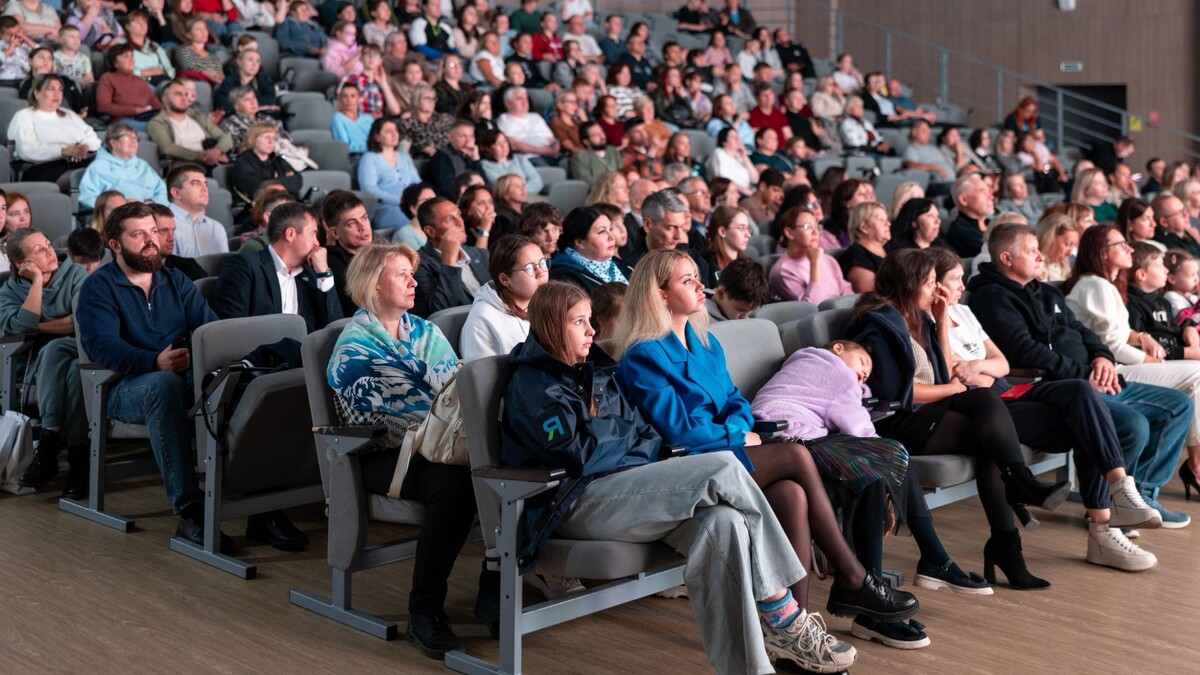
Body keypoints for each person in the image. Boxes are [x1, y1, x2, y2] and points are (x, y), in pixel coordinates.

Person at [504, 280, 862, 674]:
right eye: (578, 322)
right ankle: (782, 611)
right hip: (576, 504)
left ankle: (752, 667)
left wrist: (611, 436)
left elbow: (648, 437)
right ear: (554, 325)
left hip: (634, 490)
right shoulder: (534, 386)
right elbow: (579, 457)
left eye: (591, 320)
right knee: (724, 465)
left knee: (723, 522)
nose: (592, 330)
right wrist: (620, 437)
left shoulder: (599, 373)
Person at [611, 250, 919, 640]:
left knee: (792, 494)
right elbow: (678, 431)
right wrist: (737, 435)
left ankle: (796, 632)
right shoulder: (643, 355)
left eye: (696, 277)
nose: (700, 286)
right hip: (691, 464)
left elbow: (735, 401)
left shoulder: (704, 342)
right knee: (794, 453)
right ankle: (852, 576)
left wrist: (739, 427)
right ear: (660, 295)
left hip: (725, 449)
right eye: (687, 281)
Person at [846, 249, 1073, 589]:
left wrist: (940, 319)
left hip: (928, 413)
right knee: (983, 405)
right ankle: (1018, 497)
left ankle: (1007, 542)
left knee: (990, 440)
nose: (937, 290)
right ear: (909, 285)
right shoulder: (878, 324)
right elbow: (900, 393)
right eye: (931, 283)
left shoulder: (919, 317)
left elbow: (940, 372)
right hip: (897, 420)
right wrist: (952, 391)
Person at [930, 246, 1161, 570]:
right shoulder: (928, 319)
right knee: (1097, 423)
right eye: (955, 279)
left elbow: (1001, 362)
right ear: (933, 284)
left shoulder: (964, 313)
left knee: (1080, 391)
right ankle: (1103, 530)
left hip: (1008, 388)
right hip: (985, 409)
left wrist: (979, 364)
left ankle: (1120, 490)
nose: (962, 287)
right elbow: (950, 373)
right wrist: (974, 362)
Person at [751, 339, 985, 644]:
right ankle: (924, 566)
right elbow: (859, 429)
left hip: (793, 442)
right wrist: (882, 461)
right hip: (788, 443)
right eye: (862, 362)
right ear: (837, 349)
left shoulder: (806, 369)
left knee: (876, 474)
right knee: (890, 455)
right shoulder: (830, 369)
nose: (863, 374)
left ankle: (872, 602)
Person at [327, 243, 497, 658]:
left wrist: (441, 422)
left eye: (411, 272)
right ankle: (424, 613)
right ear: (373, 284)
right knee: (456, 486)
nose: (413, 281)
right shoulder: (353, 348)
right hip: (380, 455)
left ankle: (493, 591)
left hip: (439, 443)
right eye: (402, 274)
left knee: (504, 472)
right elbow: (368, 425)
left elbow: (458, 392)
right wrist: (433, 421)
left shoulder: (426, 330)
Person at [968, 223, 1195, 528]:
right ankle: (1109, 507)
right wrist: (1086, 373)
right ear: (1007, 258)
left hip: (1096, 376)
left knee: (1179, 405)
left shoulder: (1046, 291)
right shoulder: (992, 297)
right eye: (1032, 251)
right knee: (1133, 425)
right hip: (1060, 385)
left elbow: (1082, 331)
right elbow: (1024, 351)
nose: (1040, 256)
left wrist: (1102, 358)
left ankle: (1141, 494)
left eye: (1038, 249)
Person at [75, 202, 227, 547]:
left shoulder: (175, 280)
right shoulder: (99, 288)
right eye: (139, 234)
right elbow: (103, 348)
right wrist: (153, 361)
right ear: (115, 244)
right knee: (163, 385)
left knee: (233, 382)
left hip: (180, 373)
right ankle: (189, 510)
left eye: (154, 232)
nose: (151, 240)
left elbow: (212, 328)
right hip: (120, 387)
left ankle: (254, 500)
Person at [1063, 225, 1200, 526]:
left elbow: (1118, 333)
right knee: (1197, 376)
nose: (1129, 249)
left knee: (1188, 388)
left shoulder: (1104, 284)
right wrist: (1147, 357)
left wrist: (1140, 337)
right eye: (1120, 245)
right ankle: (1145, 491)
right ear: (1102, 253)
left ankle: (1139, 494)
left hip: (1111, 364)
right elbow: (1110, 344)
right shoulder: (1096, 284)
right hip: (1107, 370)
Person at [2, 229, 89, 498]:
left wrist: (40, 327)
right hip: (35, 365)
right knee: (74, 374)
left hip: (80, 348)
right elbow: (20, 329)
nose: (50, 251)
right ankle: (79, 465)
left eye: (48, 244)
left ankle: (50, 441)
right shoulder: (9, 289)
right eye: (38, 250)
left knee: (56, 349)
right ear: (20, 264)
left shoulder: (75, 274)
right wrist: (37, 281)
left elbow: (80, 321)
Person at [212, 201, 341, 335]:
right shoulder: (243, 267)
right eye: (313, 234)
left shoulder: (312, 272)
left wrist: (324, 274)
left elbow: (333, 328)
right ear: (290, 234)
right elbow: (233, 330)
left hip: (307, 353)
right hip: (261, 354)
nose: (317, 243)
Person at [459, 234, 547, 360]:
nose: (541, 273)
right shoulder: (482, 319)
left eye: (542, 263)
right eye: (529, 268)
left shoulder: (547, 303)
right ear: (505, 279)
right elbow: (482, 376)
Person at [8, 74, 101, 181]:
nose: (57, 94)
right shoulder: (24, 115)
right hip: (43, 168)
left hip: (77, 162)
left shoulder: (69, 114)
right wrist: (63, 151)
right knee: (85, 176)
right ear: (37, 93)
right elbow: (27, 150)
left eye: (60, 89)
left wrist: (85, 146)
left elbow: (92, 137)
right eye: (51, 89)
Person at [413, 197, 490, 317]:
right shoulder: (417, 263)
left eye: (459, 214)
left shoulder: (481, 254)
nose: (460, 223)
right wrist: (449, 260)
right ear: (431, 231)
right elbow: (441, 313)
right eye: (449, 219)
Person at [769, 206, 851, 305]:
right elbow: (813, 307)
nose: (816, 232)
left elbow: (847, 292)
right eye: (808, 227)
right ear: (789, 233)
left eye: (817, 226)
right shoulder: (783, 271)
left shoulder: (828, 260)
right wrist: (814, 264)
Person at [79, 124, 168, 209]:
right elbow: (87, 197)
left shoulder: (143, 165)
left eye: (136, 138)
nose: (134, 141)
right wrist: (119, 205)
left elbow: (162, 191)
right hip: (115, 216)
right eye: (128, 137)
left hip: (148, 213)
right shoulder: (98, 166)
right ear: (113, 142)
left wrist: (151, 202)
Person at [148, 79, 232, 166]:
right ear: (165, 99)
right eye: (178, 94)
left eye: (186, 94)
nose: (185, 98)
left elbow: (225, 138)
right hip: (182, 165)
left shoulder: (197, 116)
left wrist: (217, 151)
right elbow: (167, 149)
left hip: (210, 162)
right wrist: (204, 156)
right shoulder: (157, 123)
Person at [357, 118, 420, 230]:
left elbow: (417, 183)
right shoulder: (369, 158)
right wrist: (400, 201)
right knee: (415, 223)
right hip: (386, 208)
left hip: (411, 204)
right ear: (376, 136)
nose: (394, 134)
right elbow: (370, 190)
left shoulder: (404, 157)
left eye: (395, 130)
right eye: (388, 131)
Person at [549, 206, 630, 293]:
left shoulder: (620, 265)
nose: (611, 237)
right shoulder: (564, 278)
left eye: (610, 229)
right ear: (580, 243)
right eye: (602, 232)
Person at [166, 162, 229, 257]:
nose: (205, 189)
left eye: (206, 184)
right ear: (176, 193)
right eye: (196, 183)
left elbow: (226, 266)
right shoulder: (160, 226)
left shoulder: (216, 228)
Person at [96, 44, 162, 130]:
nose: (131, 59)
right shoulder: (107, 78)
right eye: (126, 56)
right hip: (122, 120)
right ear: (115, 63)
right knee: (154, 128)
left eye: (132, 56)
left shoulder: (139, 80)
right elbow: (103, 107)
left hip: (146, 116)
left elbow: (155, 104)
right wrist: (134, 110)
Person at [497, 86, 559, 164]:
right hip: (529, 157)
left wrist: (555, 149)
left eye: (526, 99)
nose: (524, 102)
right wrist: (542, 151)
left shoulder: (536, 116)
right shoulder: (505, 119)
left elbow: (552, 140)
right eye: (519, 99)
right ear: (508, 103)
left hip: (550, 155)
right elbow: (514, 144)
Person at [148, 202, 208, 282]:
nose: (171, 238)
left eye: (173, 230)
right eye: (163, 231)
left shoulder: (189, 267)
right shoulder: (133, 275)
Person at [839, 201, 890, 293]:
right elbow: (869, 296)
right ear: (864, 227)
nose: (888, 224)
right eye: (881, 219)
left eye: (887, 219)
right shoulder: (856, 255)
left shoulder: (890, 248)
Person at [115, 10, 175, 83]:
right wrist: (143, 72)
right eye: (137, 22)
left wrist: (166, 73)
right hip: (136, 81)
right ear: (127, 27)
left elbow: (169, 68)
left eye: (144, 21)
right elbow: (121, 70)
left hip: (161, 79)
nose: (142, 25)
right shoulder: (121, 45)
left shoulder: (154, 45)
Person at [398, 83, 455, 159]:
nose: (432, 101)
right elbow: (403, 148)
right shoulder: (408, 123)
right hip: (423, 160)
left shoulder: (445, 118)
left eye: (434, 98)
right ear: (417, 100)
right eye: (427, 98)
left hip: (450, 157)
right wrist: (424, 148)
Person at [215, 48, 278, 115]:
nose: (254, 64)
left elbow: (270, 101)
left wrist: (243, 104)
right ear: (239, 62)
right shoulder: (229, 82)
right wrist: (259, 108)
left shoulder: (265, 80)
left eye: (257, 61)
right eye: (250, 60)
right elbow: (223, 105)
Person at [945, 175, 995, 257]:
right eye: (983, 192)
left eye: (989, 192)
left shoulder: (993, 224)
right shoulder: (960, 231)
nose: (991, 197)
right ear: (964, 200)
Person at [705, 258, 769, 321]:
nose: (745, 316)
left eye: (750, 310)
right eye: (741, 310)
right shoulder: (701, 319)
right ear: (720, 293)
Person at [701, 205, 750, 287]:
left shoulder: (747, 264)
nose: (748, 234)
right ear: (723, 232)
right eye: (741, 228)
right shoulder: (706, 266)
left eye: (748, 229)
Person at [901, 121, 954, 193]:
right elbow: (910, 165)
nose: (928, 135)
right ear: (914, 132)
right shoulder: (912, 148)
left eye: (929, 132)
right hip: (935, 184)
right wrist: (934, 167)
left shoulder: (933, 148)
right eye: (924, 131)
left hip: (952, 181)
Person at [174, 18, 225, 84]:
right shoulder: (183, 50)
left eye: (205, 29)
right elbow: (190, 67)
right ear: (189, 35)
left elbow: (220, 74)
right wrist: (208, 72)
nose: (203, 32)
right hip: (195, 84)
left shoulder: (211, 55)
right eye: (198, 29)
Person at [569, 120, 620, 184]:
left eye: (602, 131)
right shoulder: (580, 157)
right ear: (586, 142)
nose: (602, 137)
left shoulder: (612, 151)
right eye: (595, 135)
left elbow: (621, 171)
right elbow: (586, 182)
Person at [331, 82, 374, 154]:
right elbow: (345, 146)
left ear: (358, 99)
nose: (349, 100)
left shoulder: (368, 119)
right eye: (345, 96)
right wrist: (372, 148)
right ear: (340, 99)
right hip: (355, 157)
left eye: (353, 96)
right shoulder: (338, 118)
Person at [1152, 193, 1200, 257]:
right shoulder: (1168, 244)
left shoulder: (1186, 234)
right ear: (1164, 222)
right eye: (1179, 213)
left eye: (1184, 210)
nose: (1186, 215)